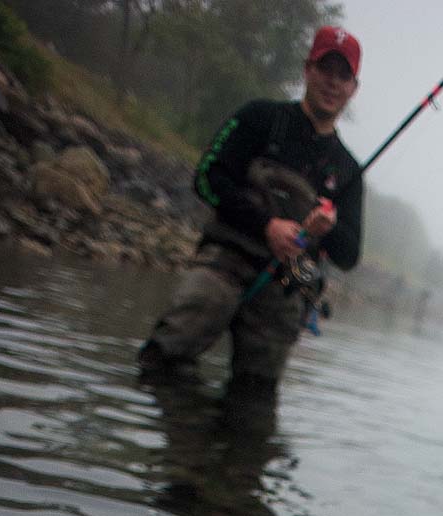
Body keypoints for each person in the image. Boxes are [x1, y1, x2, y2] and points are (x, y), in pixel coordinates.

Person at [139, 26, 363, 390]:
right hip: (226, 259)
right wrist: (266, 226)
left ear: (353, 88)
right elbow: (208, 178)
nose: (332, 82)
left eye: (343, 75)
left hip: (288, 284)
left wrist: (329, 228)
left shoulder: (349, 170)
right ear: (308, 70)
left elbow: (350, 255)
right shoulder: (259, 117)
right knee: (162, 363)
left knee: (254, 403)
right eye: (325, 69)